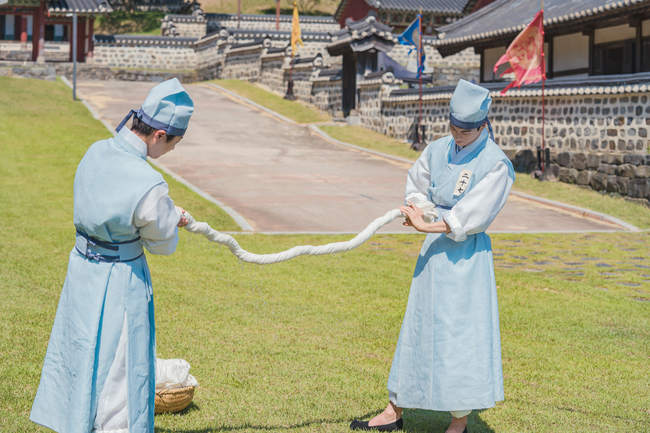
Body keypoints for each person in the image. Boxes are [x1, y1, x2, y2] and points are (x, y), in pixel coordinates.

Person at [30, 78, 194, 433]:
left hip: (82, 269)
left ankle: (74, 421)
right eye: (174, 143)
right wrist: (171, 217)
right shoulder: (149, 184)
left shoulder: (95, 150)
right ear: (159, 135)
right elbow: (161, 242)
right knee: (120, 367)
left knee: (79, 350)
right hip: (120, 280)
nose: (171, 151)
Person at [350, 79, 515, 433]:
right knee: (419, 326)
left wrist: (433, 226)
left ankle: (459, 421)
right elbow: (418, 184)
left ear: (483, 126)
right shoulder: (438, 148)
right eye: (453, 128)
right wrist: (421, 211)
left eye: (465, 132)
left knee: (458, 333)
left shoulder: (496, 164)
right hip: (433, 255)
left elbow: (475, 213)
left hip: (466, 258)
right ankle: (394, 408)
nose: (457, 136)